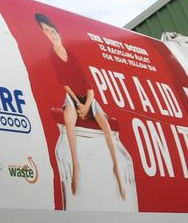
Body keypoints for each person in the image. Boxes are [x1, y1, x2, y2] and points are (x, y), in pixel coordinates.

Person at [35, 13, 125, 200]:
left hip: (89, 97)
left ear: (57, 32)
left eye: (52, 30)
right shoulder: (52, 54)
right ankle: (76, 166)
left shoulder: (71, 53)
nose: (51, 34)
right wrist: (77, 104)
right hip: (73, 97)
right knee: (69, 121)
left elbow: (90, 87)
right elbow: (65, 84)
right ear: (44, 35)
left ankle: (116, 167)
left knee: (106, 124)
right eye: (46, 31)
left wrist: (87, 106)